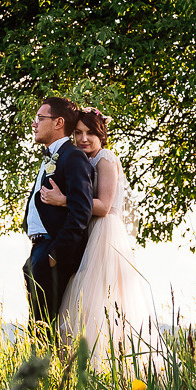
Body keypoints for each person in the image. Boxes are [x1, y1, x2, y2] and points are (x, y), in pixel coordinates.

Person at [39, 106, 149, 364]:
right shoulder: (81, 161)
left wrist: (64, 200)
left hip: (105, 234)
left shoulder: (106, 158)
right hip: (87, 234)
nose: (83, 139)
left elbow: (105, 205)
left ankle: (113, 364)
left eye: (90, 133)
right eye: (78, 133)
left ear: (102, 136)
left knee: (103, 301)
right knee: (82, 307)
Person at [23, 96, 95, 328]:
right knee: (39, 326)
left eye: (39, 118)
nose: (34, 124)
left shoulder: (72, 156)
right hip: (39, 251)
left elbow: (81, 210)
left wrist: (56, 254)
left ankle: (46, 366)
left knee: (44, 328)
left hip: (52, 252)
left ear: (58, 122)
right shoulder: (52, 156)